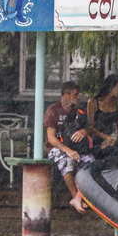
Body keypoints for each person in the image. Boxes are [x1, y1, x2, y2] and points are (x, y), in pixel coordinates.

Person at [44, 81, 94, 213]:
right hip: (57, 148)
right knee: (67, 160)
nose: (78, 97)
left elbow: (89, 129)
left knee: (91, 163)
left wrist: (84, 131)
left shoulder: (79, 111)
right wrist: (68, 150)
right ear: (65, 95)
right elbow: (51, 138)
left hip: (76, 148)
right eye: (75, 94)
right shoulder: (53, 110)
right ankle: (74, 196)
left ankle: (78, 197)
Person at [87, 74, 118, 155]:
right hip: (98, 141)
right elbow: (90, 126)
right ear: (111, 87)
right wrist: (105, 137)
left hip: (113, 140)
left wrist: (112, 137)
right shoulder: (93, 102)